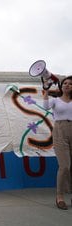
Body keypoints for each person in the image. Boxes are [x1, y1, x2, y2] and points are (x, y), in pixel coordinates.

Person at [43, 76, 72, 210]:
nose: (67, 85)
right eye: (65, 83)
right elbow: (45, 106)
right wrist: (46, 91)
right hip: (60, 130)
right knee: (64, 166)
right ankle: (59, 196)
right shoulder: (56, 100)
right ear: (61, 86)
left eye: (70, 84)